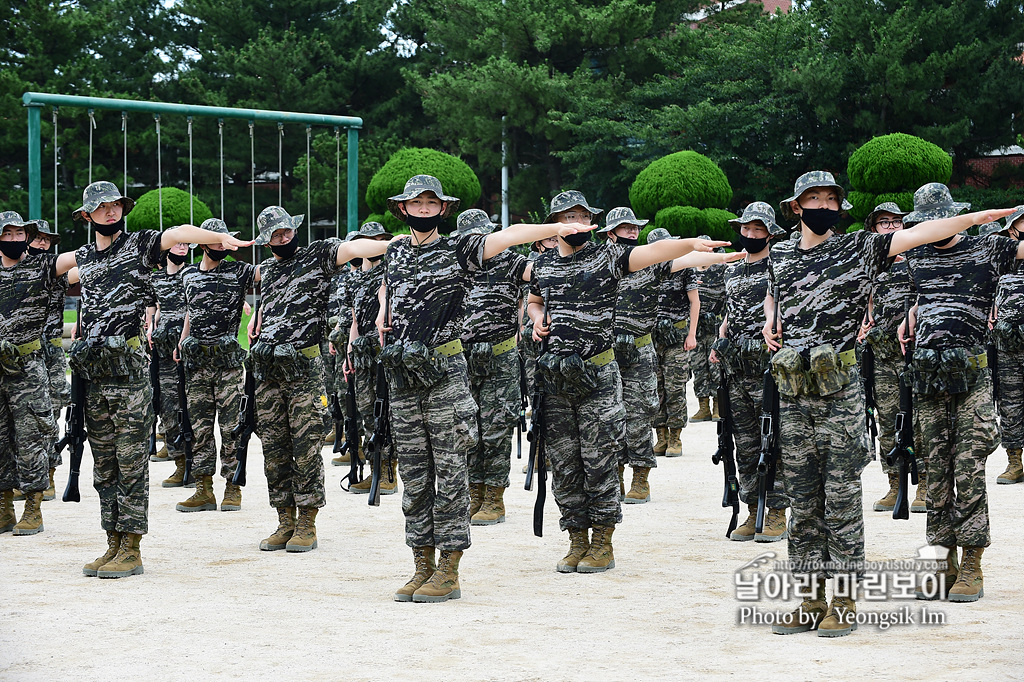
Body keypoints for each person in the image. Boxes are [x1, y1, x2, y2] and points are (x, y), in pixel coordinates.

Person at [764, 172, 1015, 636]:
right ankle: (808, 597)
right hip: (795, 390)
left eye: (831, 199)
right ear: (796, 206)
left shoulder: (859, 248)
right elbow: (778, 294)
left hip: (843, 390)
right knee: (802, 499)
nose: (823, 205)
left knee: (841, 498)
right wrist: (770, 320)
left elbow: (921, 233)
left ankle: (844, 598)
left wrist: (979, 216)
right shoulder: (779, 253)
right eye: (813, 199)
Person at [377, 176, 596, 603]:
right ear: (403, 209)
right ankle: (420, 563)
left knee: (450, 474)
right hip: (403, 380)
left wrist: (556, 229)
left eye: (431, 202)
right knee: (416, 478)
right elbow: (390, 289)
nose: (424, 208)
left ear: (443, 209)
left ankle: (448, 569)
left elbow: (510, 236)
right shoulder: (396, 251)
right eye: (416, 203)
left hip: (443, 377)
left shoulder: (458, 248)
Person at [529, 191, 742, 575]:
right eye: (568, 217)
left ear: (593, 221)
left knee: (600, 461)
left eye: (583, 216)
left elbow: (655, 254)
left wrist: (692, 245)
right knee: (564, 463)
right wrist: (536, 316)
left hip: (597, 376)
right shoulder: (542, 264)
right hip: (556, 378)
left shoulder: (607, 257)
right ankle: (576, 540)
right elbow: (534, 298)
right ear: (555, 222)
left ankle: (602, 543)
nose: (577, 223)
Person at [69, 180, 252, 578]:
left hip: (129, 375)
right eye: (101, 208)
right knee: (104, 465)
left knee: (131, 460)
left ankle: (132, 548)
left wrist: (217, 237)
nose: (110, 212)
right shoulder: (84, 256)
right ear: (87, 216)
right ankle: (112, 541)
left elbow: (178, 234)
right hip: (94, 376)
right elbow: (52, 269)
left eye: (116, 205)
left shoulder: (138, 245)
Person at [898, 185, 1024, 603]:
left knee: (967, 469)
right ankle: (939, 560)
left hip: (973, 377)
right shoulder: (915, 255)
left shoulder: (988, 248)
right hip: (928, 377)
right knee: (935, 471)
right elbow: (921, 297)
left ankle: (972, 563)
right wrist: (911, 313)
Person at [246, 205, 392, 554]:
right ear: (267, 241)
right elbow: (267, 302)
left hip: (303, 373)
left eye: (287, 231)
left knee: (306, 447)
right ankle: (284, 520)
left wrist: (404, 241)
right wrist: (258, 321)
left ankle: (307, 523)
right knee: (274, 450)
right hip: (268, 373)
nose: (284, 238)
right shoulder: (267, 269)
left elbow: (357, 248)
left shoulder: (318, 255)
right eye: (276, 235)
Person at [709, 202, 789, 541]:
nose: (751, 234)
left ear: (770, 233)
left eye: (758, 229)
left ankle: (776, 513)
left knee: (773, 440)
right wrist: (719, 339)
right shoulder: (733, 270)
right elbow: (731, 311)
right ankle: (752, 509)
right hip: (736, 368)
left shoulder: (779, 266)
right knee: (743, 443)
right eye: (747, 229)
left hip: (768, 366)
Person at [0, 211, 78, 536]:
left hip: (28, 369)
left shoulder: (39, 269)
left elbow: (75, 264)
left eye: (22, 235)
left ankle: (33, 508)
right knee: (1, 440)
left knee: (32, 436)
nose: (17, 240)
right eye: (10, 235)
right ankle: (4, 508)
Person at [174, 218, 259, 512]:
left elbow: (270, 281)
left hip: (228, 365)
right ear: (202, 243)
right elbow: (189, 311)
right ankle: (203, 488)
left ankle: (232, 487)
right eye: (217, 240)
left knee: (231, 427)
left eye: (226, 240)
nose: (223, 245)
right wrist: (181, 342)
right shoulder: (187, 275)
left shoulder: (239, 271)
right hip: (196, 364)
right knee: (198, 427)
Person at [455, 209, 530, 523]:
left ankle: (494, 499)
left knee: (496, 428)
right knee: (467, 428)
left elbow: (536, 283)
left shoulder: (510, 260)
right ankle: (475, 494)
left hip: (500, 358)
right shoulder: (456, 265)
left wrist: (525, 323)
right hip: (462, 358)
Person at [855, 203, 926, 513]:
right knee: (887, 420)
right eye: (884, 222)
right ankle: (894, 483)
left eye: (896, 222)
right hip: (883, 355)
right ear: (874, 229)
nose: (891, 227)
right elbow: (864, 299)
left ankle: (924, 484)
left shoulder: (917, 258)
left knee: (921, 420)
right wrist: (864, 321)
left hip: (913, 352)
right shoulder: (871, 265)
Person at [601, 207, 670, 504]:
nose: (632, 231)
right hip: (604, 352)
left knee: (640, 413)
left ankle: (640, 478)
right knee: (606, 416)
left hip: (639, 350)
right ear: (610, 233)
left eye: (634, 227)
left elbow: (684, 260)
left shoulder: (651, 260)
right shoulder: (596, 263)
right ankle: (613, 475)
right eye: (625, 227)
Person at [341, 222, 396, 494]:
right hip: (361, 352)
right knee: (365, 411)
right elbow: (353, 319)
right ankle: (374, 468)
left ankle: (387, 471)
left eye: (380, 240)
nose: (376, 244)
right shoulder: (352, 279)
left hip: (382, 350)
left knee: (385, 409)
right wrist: (348, 353)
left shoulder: (389, 272)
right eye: (371, 240)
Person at [651, 229, 700, 457]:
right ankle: (660, 436)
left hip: (677, 337)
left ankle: (675, 437)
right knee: (655, 388)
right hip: (653, 337)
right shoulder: (647, 268)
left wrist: (692, 334)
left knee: (675, 387)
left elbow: (695, 302)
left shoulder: (683, 267)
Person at [30, 219, 69, 501]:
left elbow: (82, 272)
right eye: (38, 238)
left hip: (52, 353)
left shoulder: (55, 270)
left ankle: (49, 475)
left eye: (47, 239)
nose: (42, 243)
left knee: (50, 415)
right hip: (21, 354)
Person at [148, 242, 190, 488]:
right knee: (167, 406)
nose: (182, 247)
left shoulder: (192, 275)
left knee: (191, 409)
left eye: (186, 244)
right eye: (178, 244)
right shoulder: (157, 279)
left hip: (186, 351)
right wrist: (151, 325)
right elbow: (152, 306)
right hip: (163, 350)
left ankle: (195, 465)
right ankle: (180, 463)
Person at [989, 207, 1024, 485]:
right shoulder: (1000, 260)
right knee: (1010, 405)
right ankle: (1014, 462)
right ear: (1011, 228)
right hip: (1007, 347)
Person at [691, 241, 727, 422]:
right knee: (699, 368)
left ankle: (717, 407)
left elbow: (729, 299)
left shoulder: (721, 270)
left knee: (716, 368)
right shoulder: (690, 270)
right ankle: (703, 407)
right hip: (696, 331)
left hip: (714, 328)